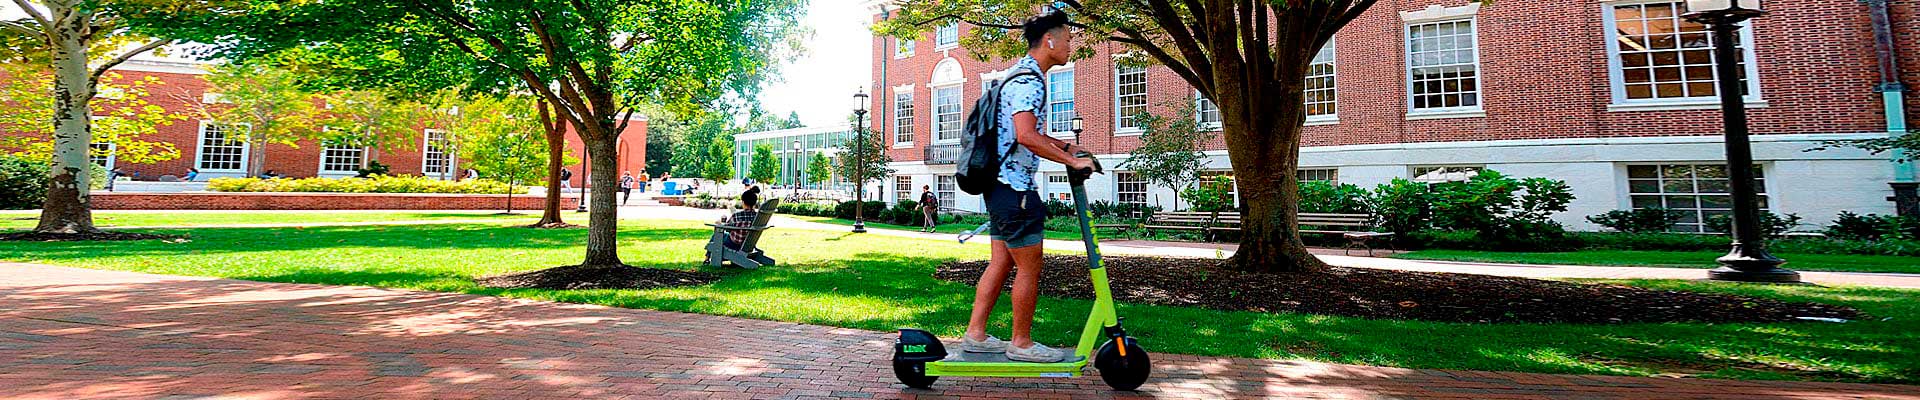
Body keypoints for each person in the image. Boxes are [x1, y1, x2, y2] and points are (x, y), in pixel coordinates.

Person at [960, 10, 1095, 364]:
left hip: (1001, 187)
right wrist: (1072, 162)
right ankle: (1021, 342)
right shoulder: (1029, 81)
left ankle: (975, 334)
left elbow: (1027, 134)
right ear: (1049, 41)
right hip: (1016, 190)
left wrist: (1067, 147)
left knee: (1001, 262)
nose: (1071, 46)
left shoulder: (1019, 74)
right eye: (1067, 40)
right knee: (1030, 266)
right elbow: (1026, 136)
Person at [713, 185, 762, 250]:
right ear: (754, 203)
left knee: (716, 236)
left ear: (743, 202)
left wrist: (719, 223)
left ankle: (707, 257)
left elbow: (727, 228)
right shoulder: (757, 217)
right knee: (721, 236)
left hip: (734, 244)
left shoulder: (737, 215)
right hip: (748, 245)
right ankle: (707, 257)